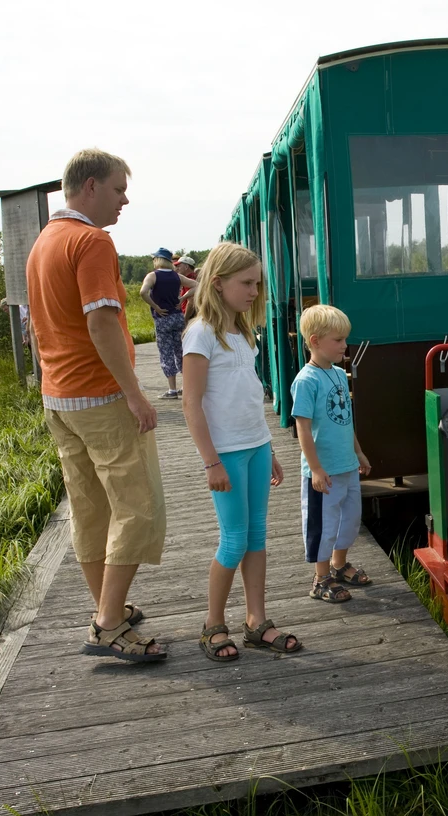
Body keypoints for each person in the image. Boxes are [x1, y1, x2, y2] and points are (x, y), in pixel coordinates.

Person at [25, 148, 166, 662]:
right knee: (139, 507)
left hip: (59, 397)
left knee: (90, 509)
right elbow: (102, 322)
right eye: (118, 189)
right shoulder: (91, 241)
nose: (124, 200)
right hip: (101, 397)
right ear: (90, 187)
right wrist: (134, 392)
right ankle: (107, 625)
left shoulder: (44, 242)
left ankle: (111, 608)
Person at [181, 242, 301, 661]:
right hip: (226, 454)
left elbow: (249, 397)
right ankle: (213, 624)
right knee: (233, 541)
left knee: (256, 537)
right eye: (246, 283)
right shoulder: (201, 333)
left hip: (255, 447)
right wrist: (211, 461)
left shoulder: (242, 332)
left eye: (257, 284)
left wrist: (269, 446)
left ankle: (256, 621)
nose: (254, 291)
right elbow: (191, 403)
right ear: (218, 283)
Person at [291, 304, 372, 603]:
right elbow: (302, 427)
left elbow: (345, 419)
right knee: (323, 524)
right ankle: (321, 577)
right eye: (338, 340)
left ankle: (339, 565)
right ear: (315, 341)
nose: (344, 345)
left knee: (349, 519)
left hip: (346, 465)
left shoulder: (338, 374)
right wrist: (315, 468)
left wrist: (358, 452)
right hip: (323, 470)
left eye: (344, 339)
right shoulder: (306, 381)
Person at [140, 248, 196, 399]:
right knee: (180, 351)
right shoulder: (176, 276)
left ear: (157, 260)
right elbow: (196, 285)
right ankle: (186, 386)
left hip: (162, 318)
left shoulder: (153, 276)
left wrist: (155, 306)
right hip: (178, 317)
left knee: (166, 353)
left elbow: (143, 292)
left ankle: (172, 390)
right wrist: (182, 298)